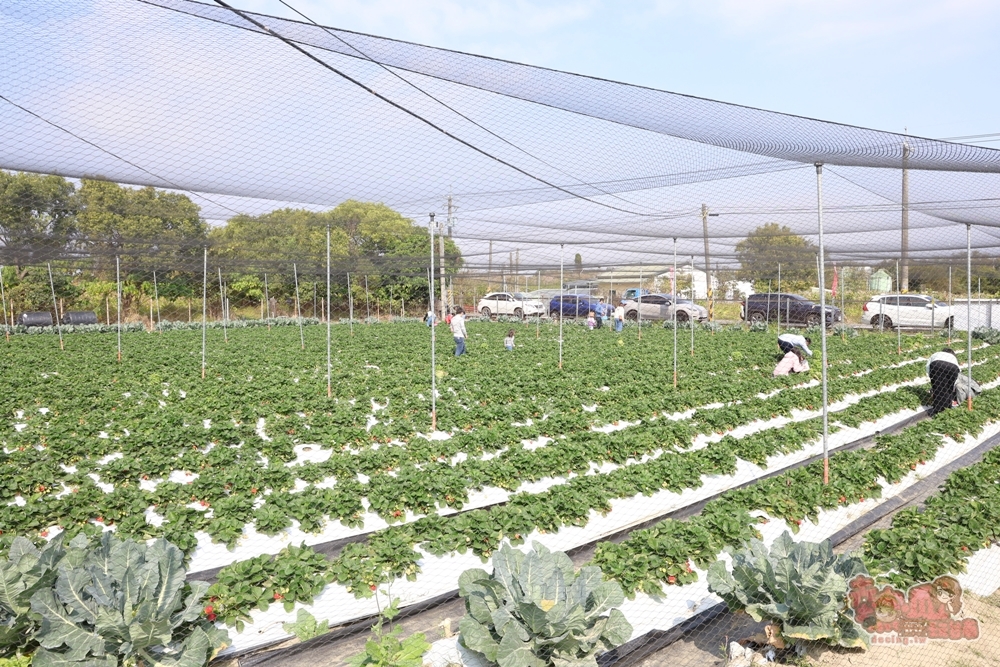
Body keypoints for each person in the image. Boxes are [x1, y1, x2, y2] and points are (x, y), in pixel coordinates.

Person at [927, 347, 960, 416]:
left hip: (937, 364)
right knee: (949, 388)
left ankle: (937, 409)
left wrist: (932, 378)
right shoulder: (953, 358)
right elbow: (958, 371)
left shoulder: (936, 354)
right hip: (953, 367)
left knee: (938, 387)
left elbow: (928, 366)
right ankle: (947, 407)